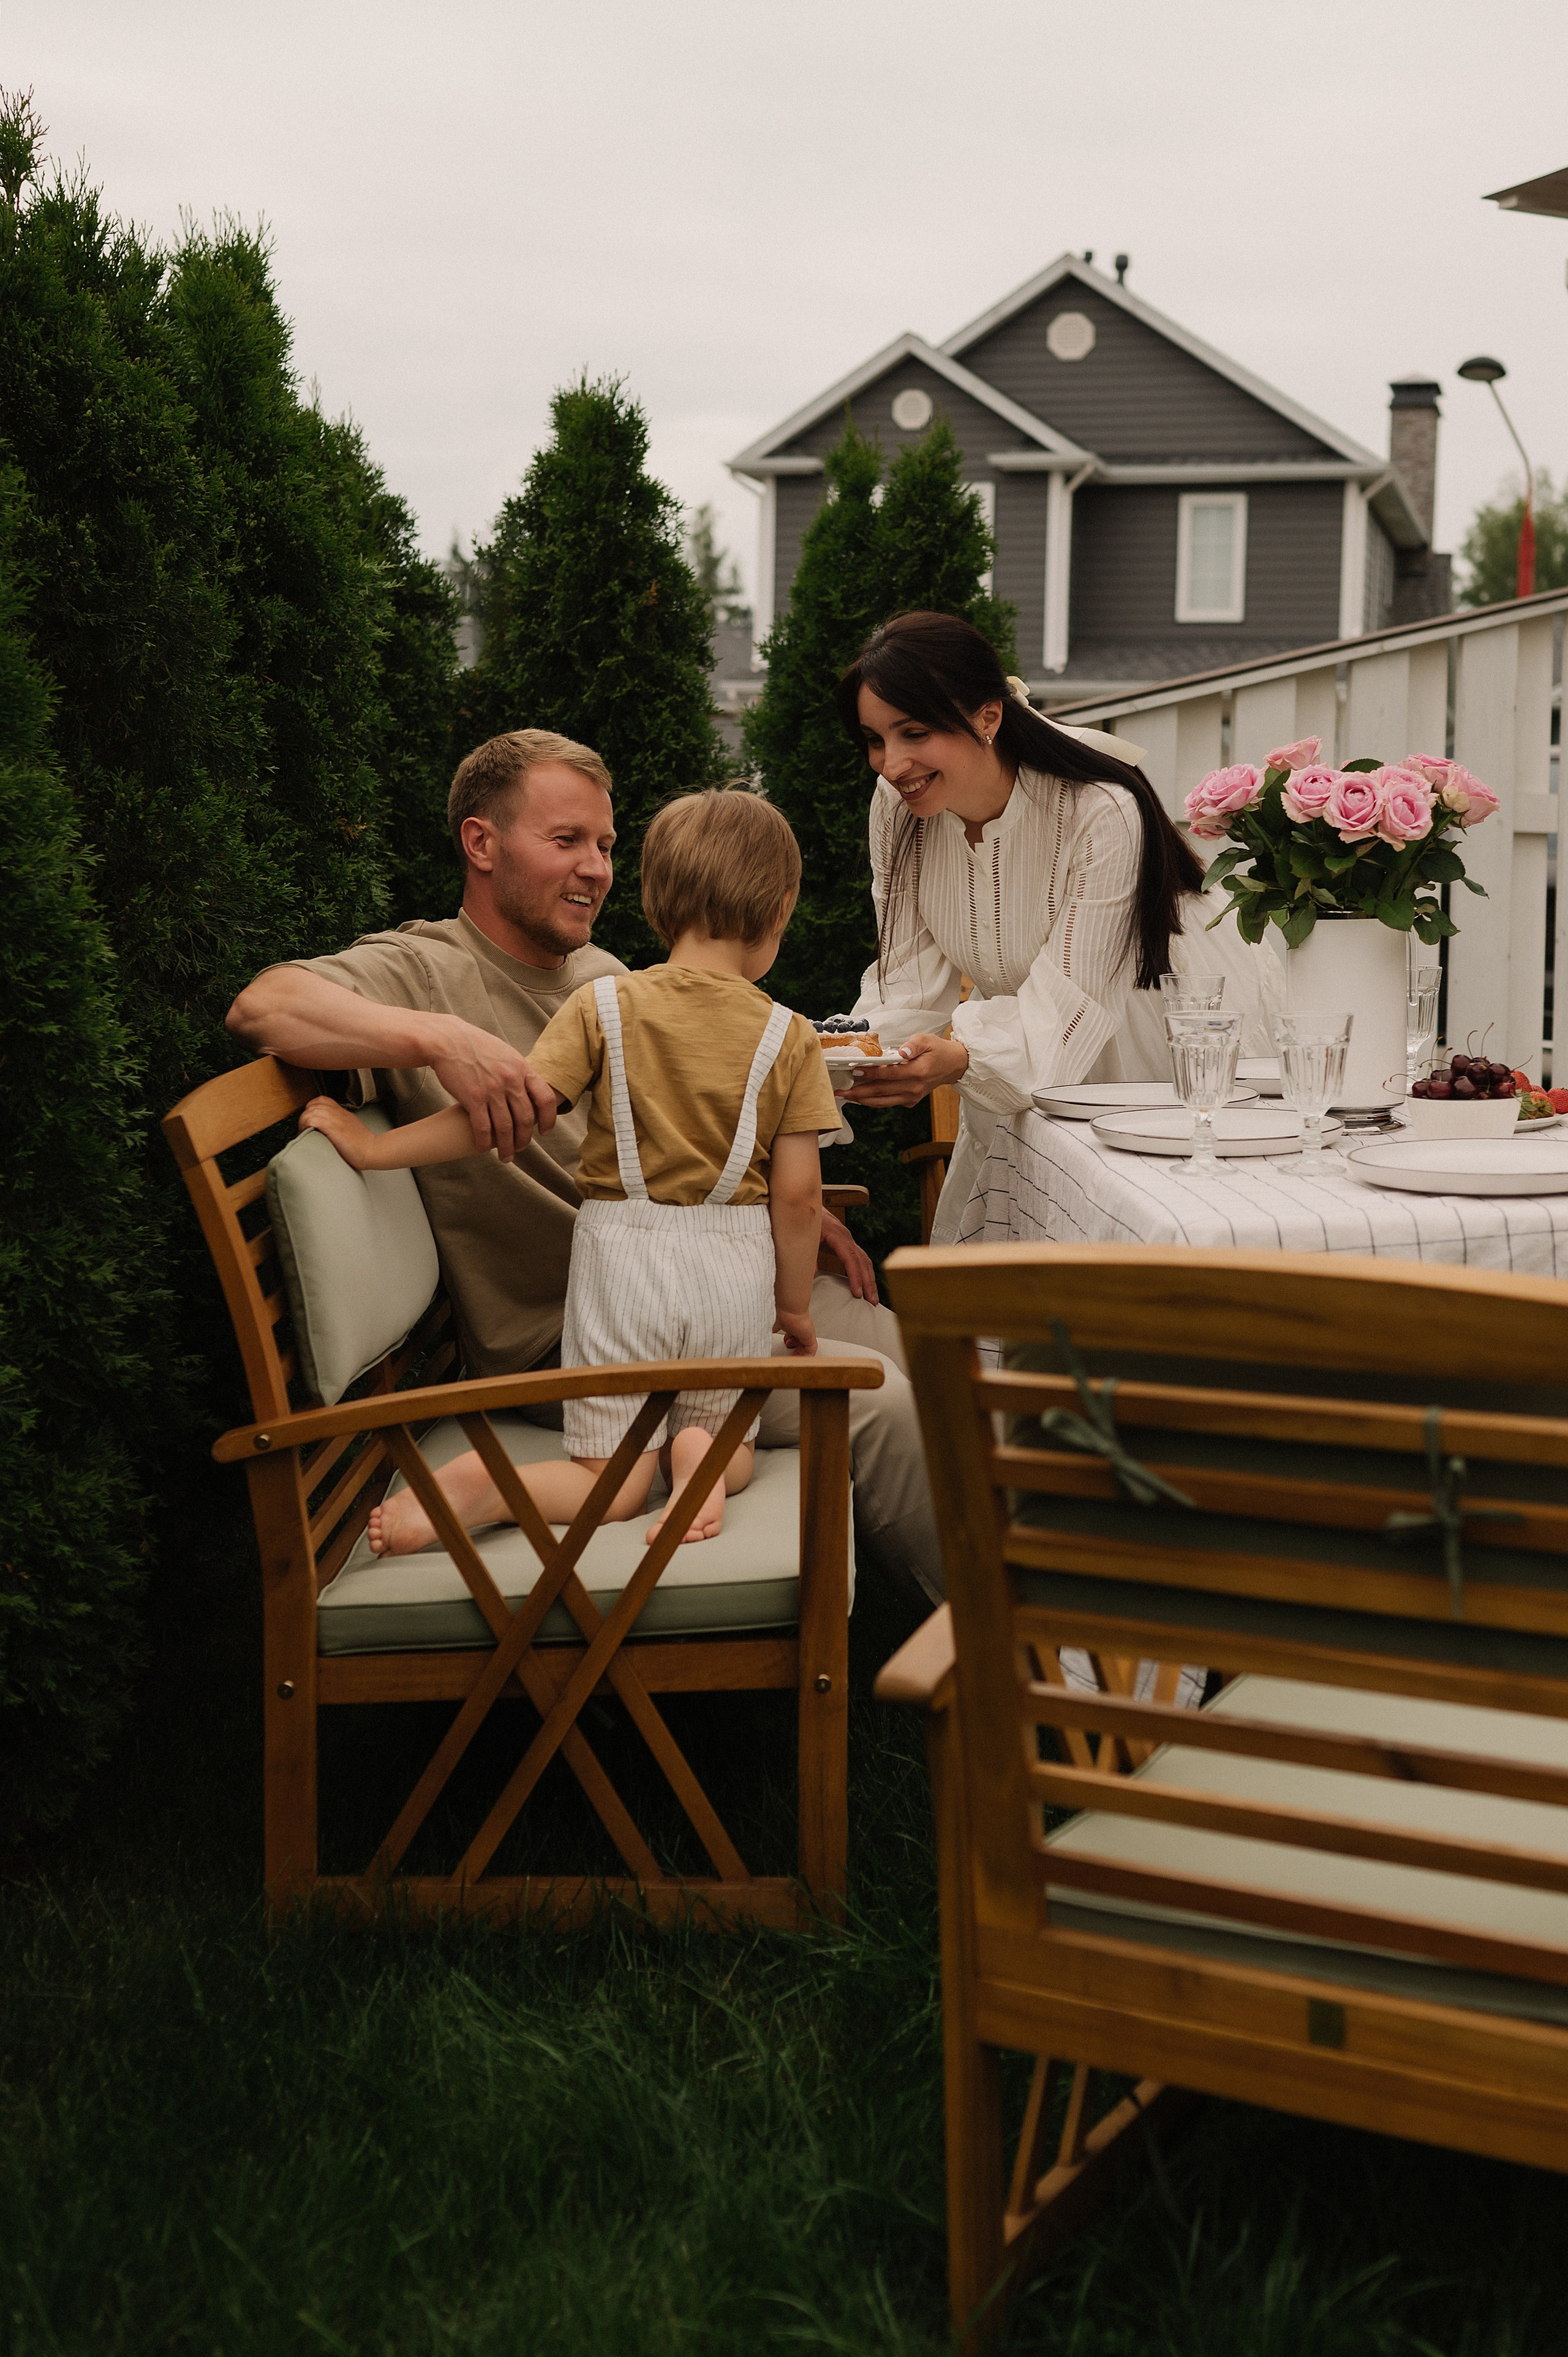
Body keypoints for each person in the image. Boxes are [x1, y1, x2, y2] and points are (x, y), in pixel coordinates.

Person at [225, 728, 942, 1604]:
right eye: (566, 842)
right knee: (889, 1408)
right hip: (577, 1335)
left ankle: (1022, 1580)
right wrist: (441, 1039)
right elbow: (263, 1006)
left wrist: (772, 1205)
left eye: (605, 846)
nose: (596, 869)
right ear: (481, 844)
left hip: (710, 1284)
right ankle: (1005, 1657)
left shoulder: (602, 976)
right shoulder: (422, 968)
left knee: (928, 1355)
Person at [298, 788, 838, 1553]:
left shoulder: (604, 1004)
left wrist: (375, 1147)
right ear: (780, 907)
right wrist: (794, 1307)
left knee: (608, 1485)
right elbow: (798, 1194)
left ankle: (490, 1488)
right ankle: (701, 1463)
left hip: (621, 1264)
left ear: (656, 899)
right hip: (733, 1276)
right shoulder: (790, 1037)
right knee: (728, 1441)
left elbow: (505, 1114)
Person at [827, 611, 1278, 1242]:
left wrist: (962, 1056)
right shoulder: (898, 810)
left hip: (1158, 1030)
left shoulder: (1101, 808)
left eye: (915, 732)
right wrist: (840, 1061)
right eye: (875, 739)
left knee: (1147, 1239)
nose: (891, 764)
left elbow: (1067, 1009)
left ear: (988, 716)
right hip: (1026, 1040)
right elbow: (905, 987)